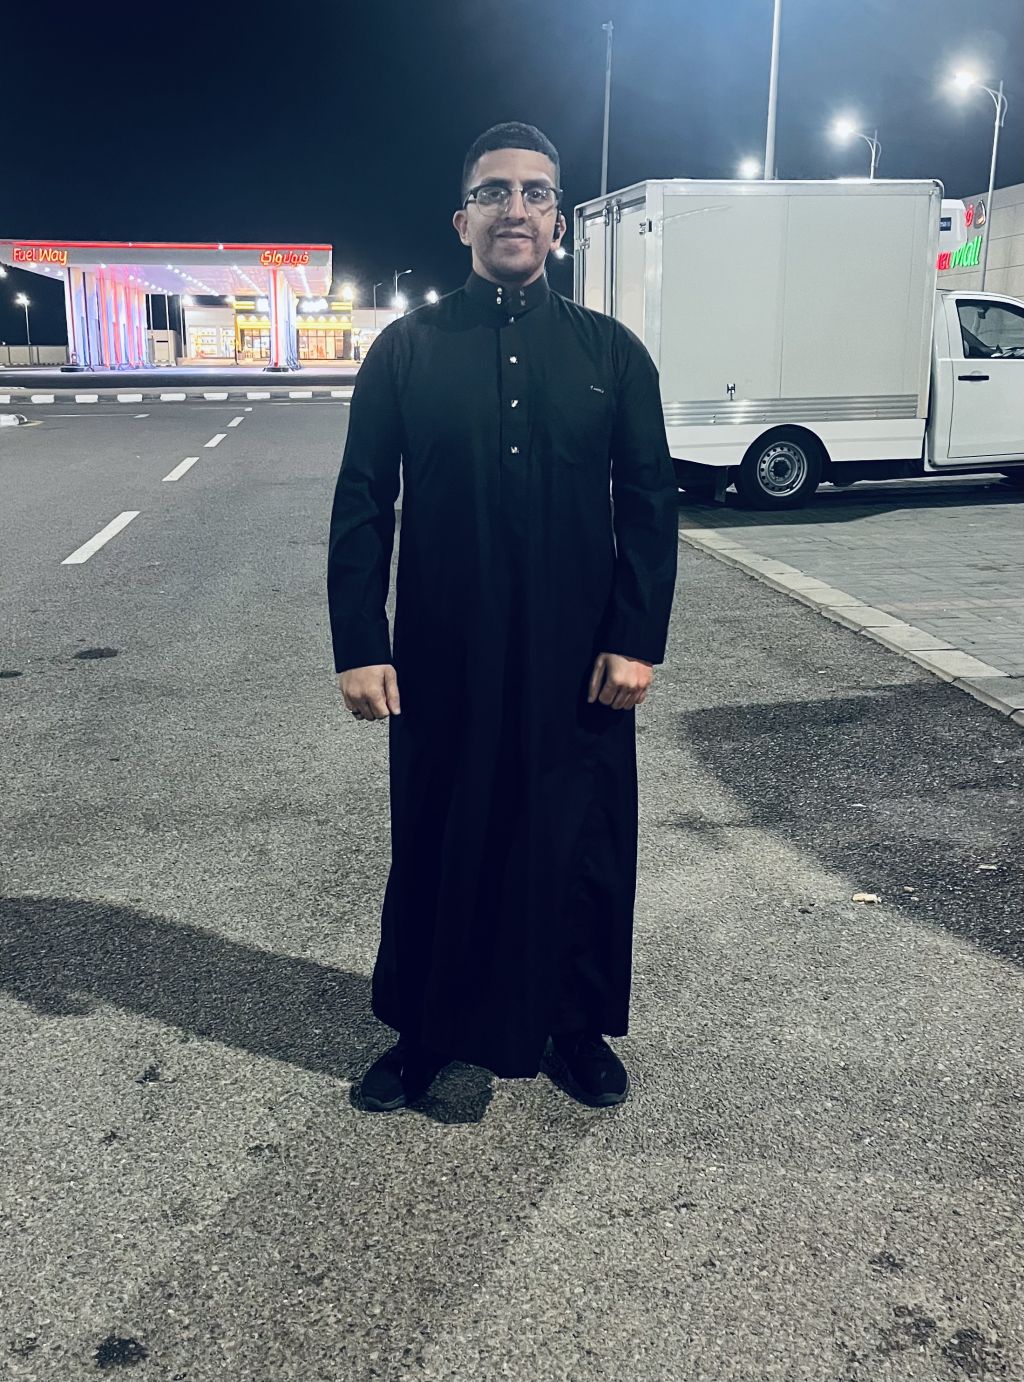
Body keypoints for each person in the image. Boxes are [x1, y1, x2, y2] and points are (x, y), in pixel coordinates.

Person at [327, 122, 677, 1112]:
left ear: (558, 222)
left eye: (533, 192)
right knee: (441, 834)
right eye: (493, 192)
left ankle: (576, 1025)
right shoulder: (405, 351)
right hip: (444, 652)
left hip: (580, 658)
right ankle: (424, 1029)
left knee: (577, 840)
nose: (513, 208)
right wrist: (361, 643)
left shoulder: (611, 354)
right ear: (462, 219)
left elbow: (650, 503)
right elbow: (363, 501)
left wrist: (635, 638)